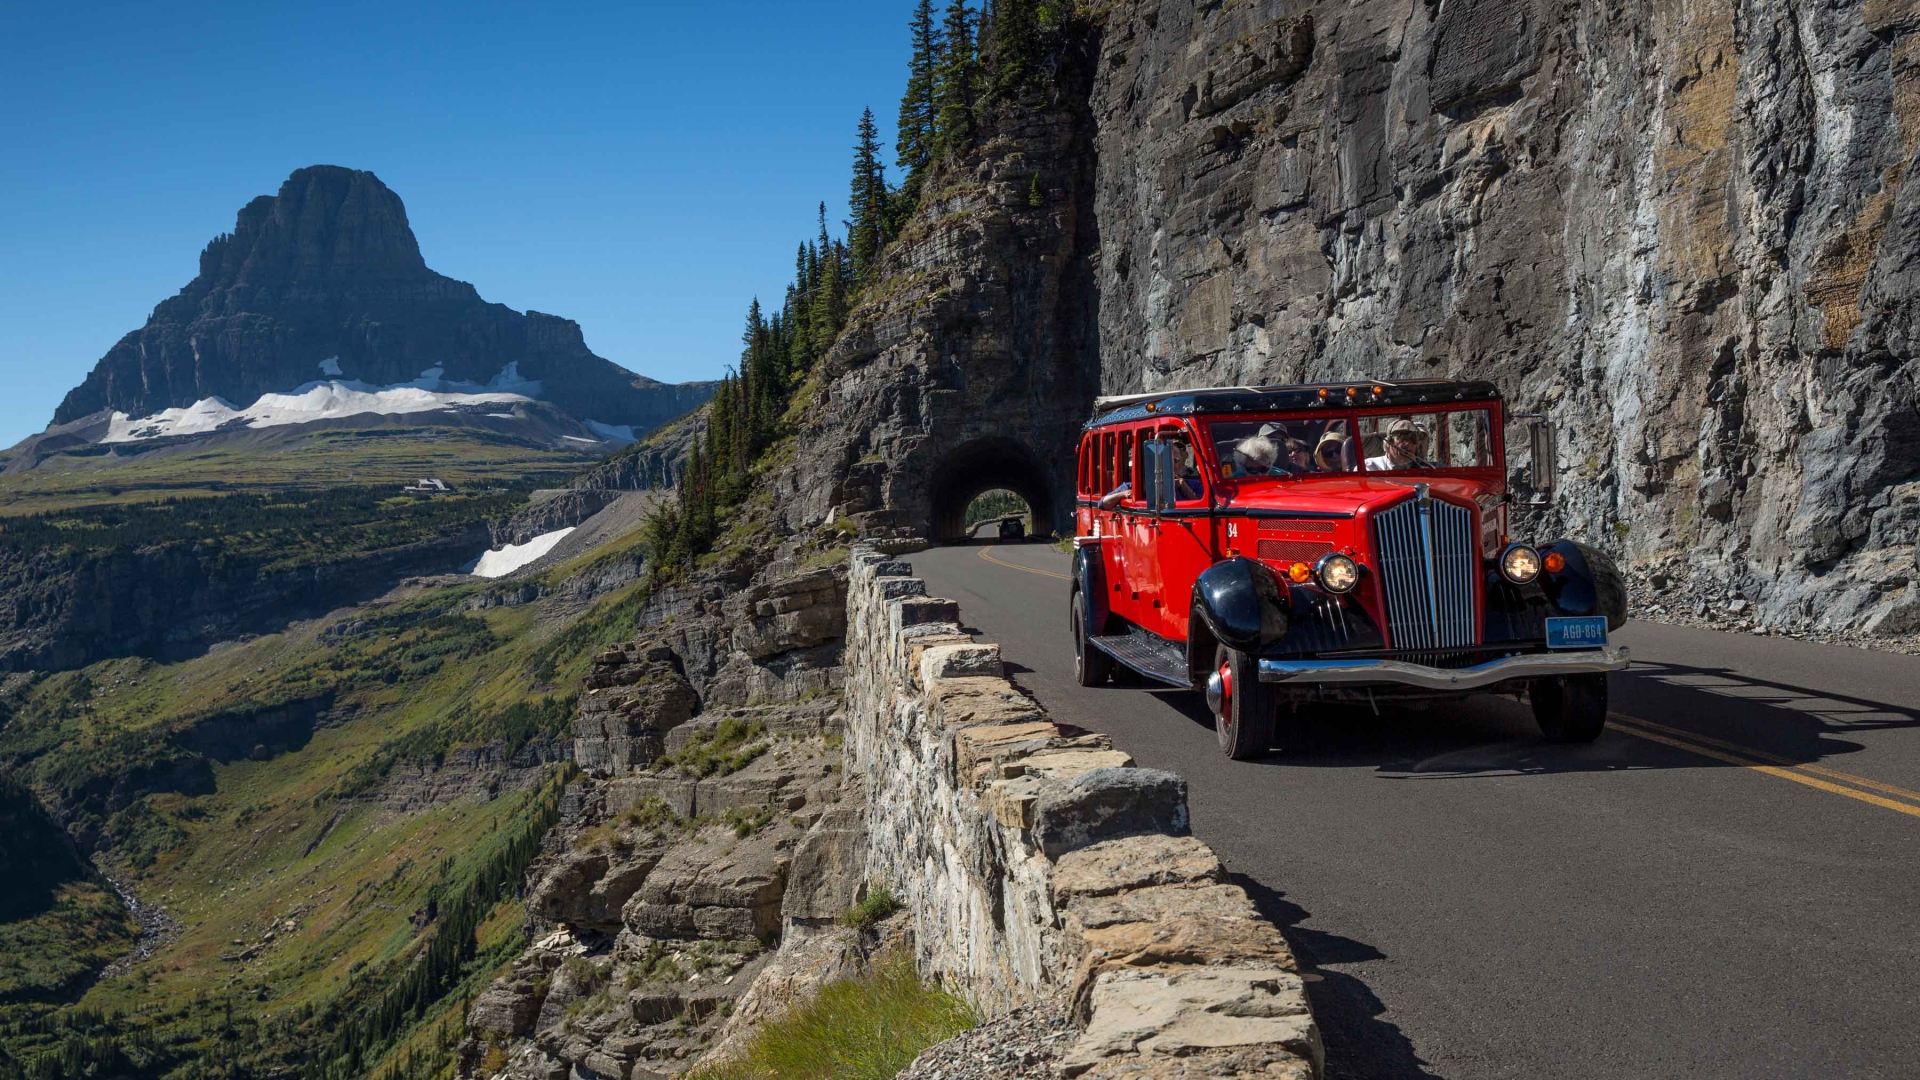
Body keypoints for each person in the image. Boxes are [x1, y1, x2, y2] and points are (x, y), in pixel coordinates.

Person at [1365, 418, 1435, 471]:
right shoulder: (1369, 467)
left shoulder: (1425, 470)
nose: (1408, 444)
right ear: (1388, 443)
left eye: (1413, 439)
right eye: (1402, 438)